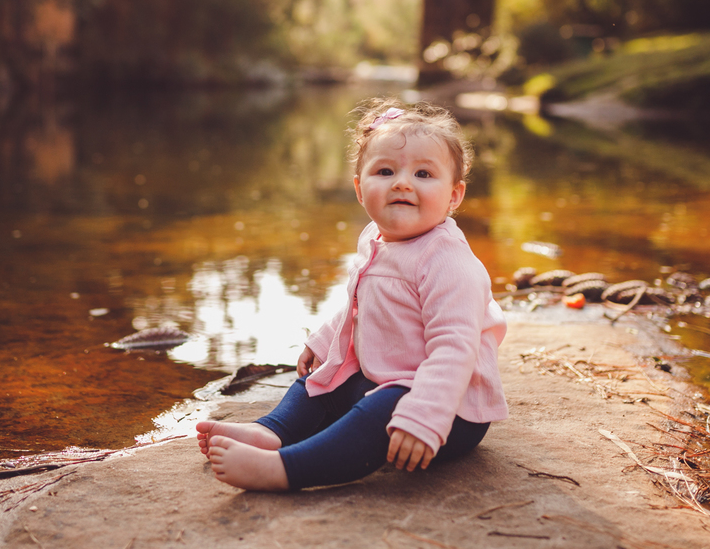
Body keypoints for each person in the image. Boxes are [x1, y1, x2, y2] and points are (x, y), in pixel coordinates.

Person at [197, 98, 508, 490]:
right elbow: (360, 305)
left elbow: (455, 348)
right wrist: (326, 341)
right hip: (392, 380)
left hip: (450, 411)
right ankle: (272, 431)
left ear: (454, 196)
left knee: (379, 409)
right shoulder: (377, 239)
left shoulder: (448, 262)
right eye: (385, 171)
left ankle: (285, 469)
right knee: (329, 376)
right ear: (361, 189)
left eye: (424, 174)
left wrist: (424, 417)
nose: (402, 182)